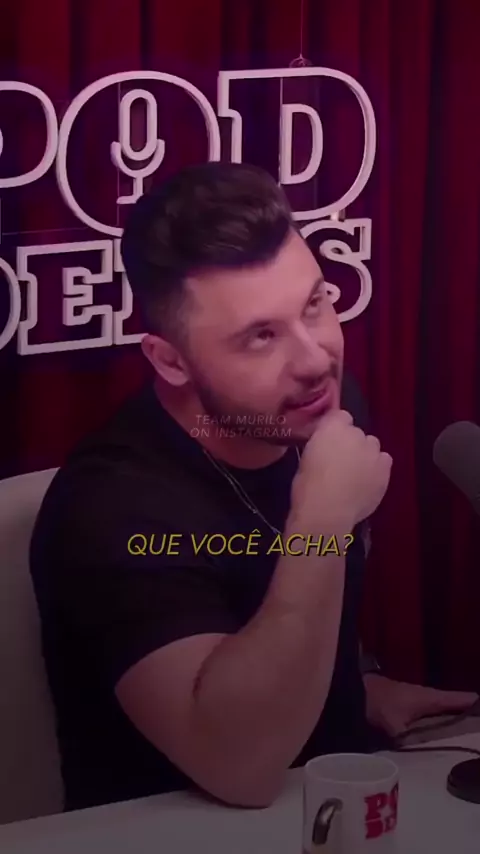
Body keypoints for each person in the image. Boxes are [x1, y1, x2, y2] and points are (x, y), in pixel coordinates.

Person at [30, 162, 478, 812]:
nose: (315, 359)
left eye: (315, 305)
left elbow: (292, 605)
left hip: (334, 796)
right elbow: (238, 767)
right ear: (170, 360)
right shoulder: (111, 508)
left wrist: (352, 688)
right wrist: (322, 521)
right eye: (261, 336)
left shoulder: (311, 407)